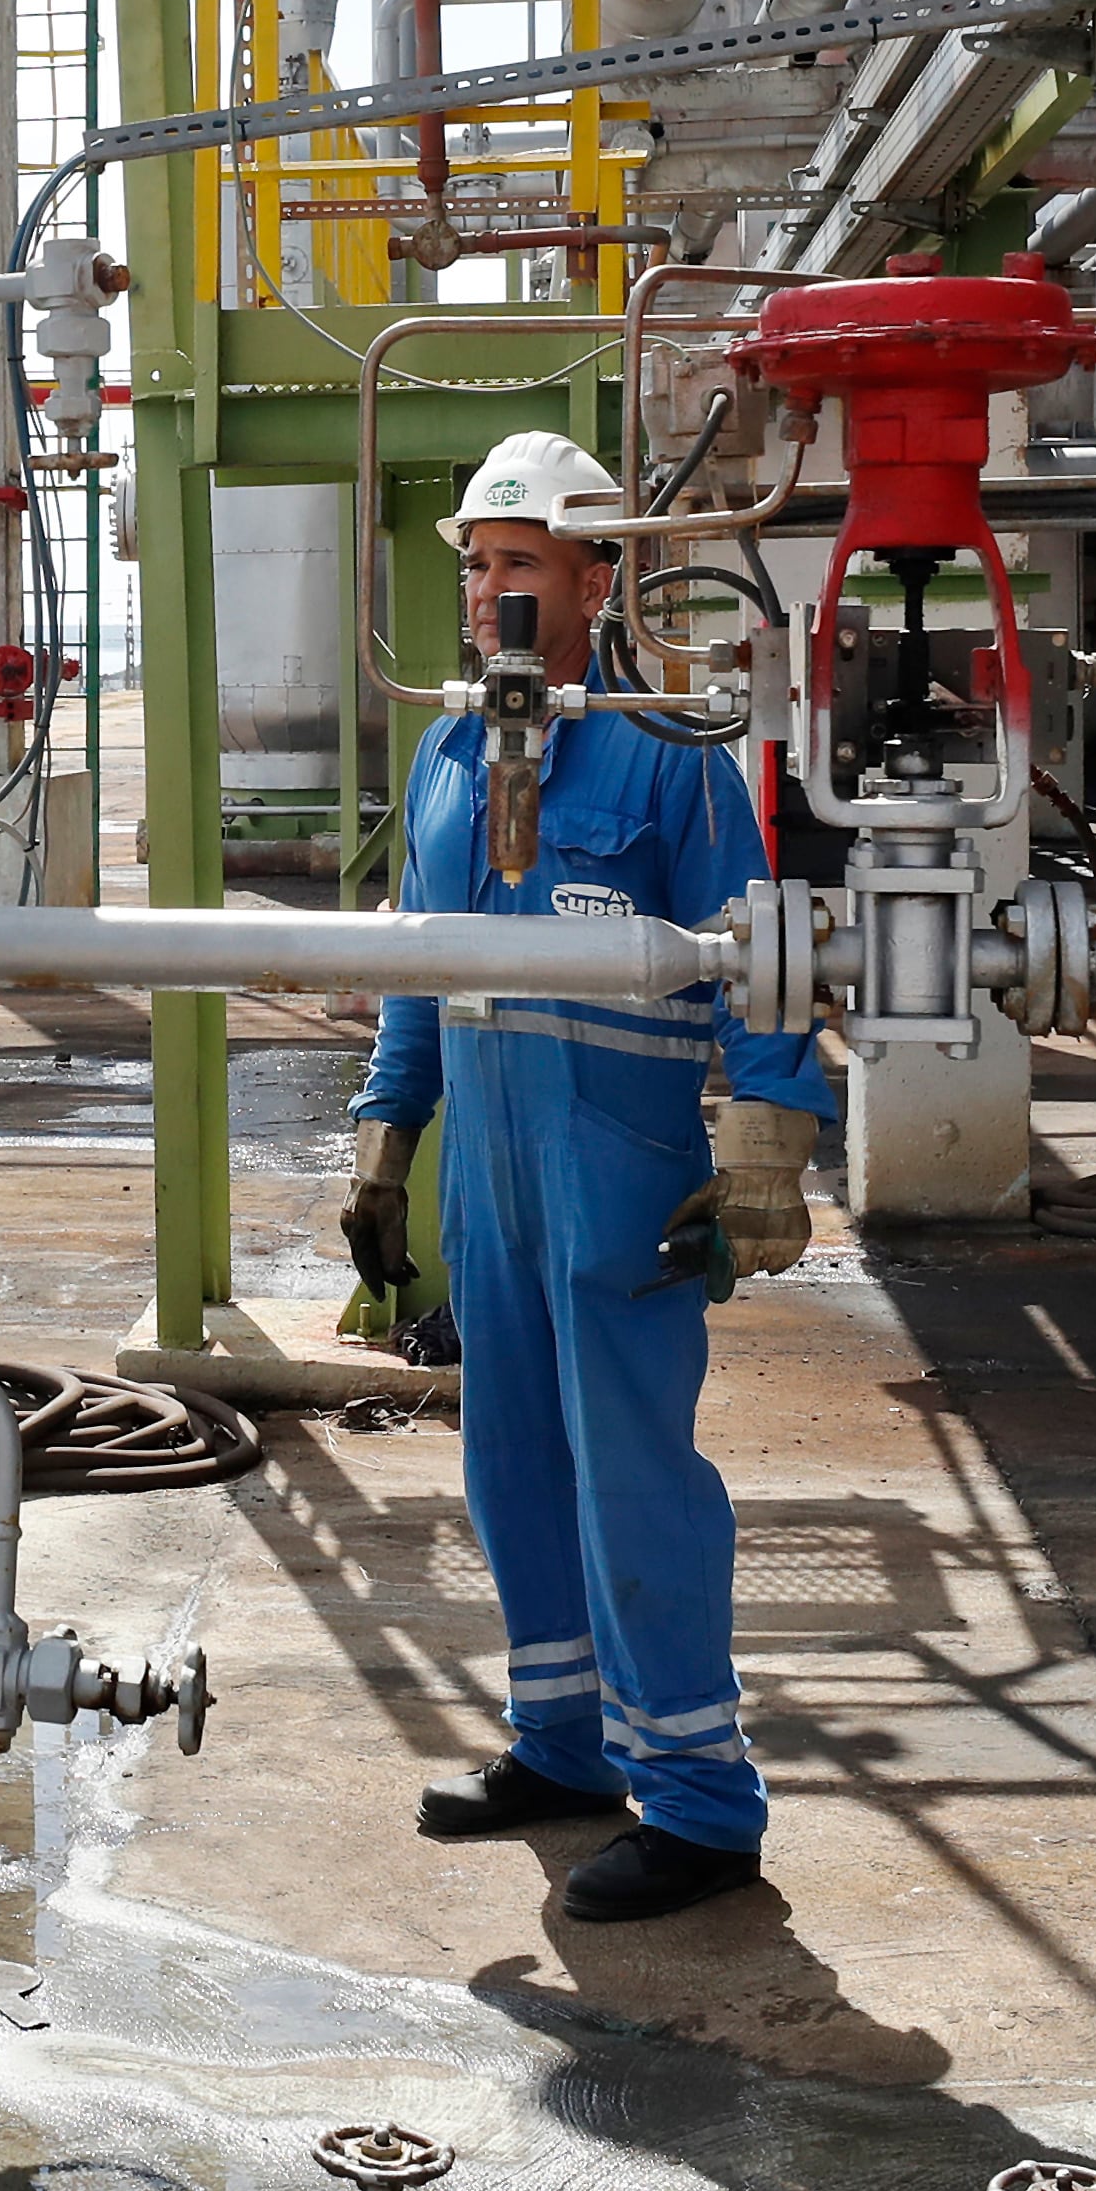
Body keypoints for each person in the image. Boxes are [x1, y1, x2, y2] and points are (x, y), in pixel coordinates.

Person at [345, 432, 828, 1924]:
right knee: (511, 1471)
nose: (492, 590)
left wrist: (763, 1144)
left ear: (596, 577)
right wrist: (385, 1139)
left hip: (619, 1167)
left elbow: (766, 955)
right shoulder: (443, 748)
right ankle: (561, 1747)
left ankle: (699, 1805)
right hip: (487, 1176)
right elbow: (416, 972)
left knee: (634, 1485)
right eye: (478, 564)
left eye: (521, 564)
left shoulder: (671, 749)